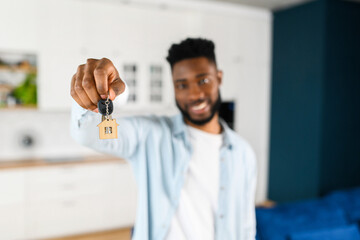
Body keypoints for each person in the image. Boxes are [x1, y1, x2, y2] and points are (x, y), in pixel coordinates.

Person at [70, 38, 257, 240]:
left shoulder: (243, 153)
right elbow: (86, 133)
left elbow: (246, 224)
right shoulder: (150, 134)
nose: (194, 94)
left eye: (203, 81)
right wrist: (107, 94)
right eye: (182, 84)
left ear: (219, 78)